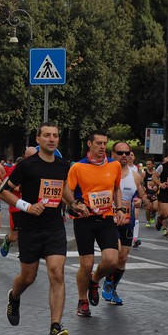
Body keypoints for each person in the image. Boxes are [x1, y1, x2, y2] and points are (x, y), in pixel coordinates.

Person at [0, 122, 71, 335]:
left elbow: (64, 189)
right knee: (28, 278)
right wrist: (27, 206)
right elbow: (3, 191)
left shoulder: (63, 165)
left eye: (55, 136)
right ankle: (14, 296)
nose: (52, 139)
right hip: (30, 228)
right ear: (38, 139)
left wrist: (75, 204)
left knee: (57, 273)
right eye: (47, 135)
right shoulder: (27, 166)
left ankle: (55, 328)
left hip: (54, 228)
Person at [64, 130, 126, 318]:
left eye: (104, 143)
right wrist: (74, 204)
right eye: (98, 143)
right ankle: (83, 301)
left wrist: (120, 208)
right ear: (89, 144)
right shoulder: (78, 167)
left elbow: (116, 189)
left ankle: (94, 280)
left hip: (106, 218)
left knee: (111, 260)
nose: (102, 147)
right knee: (87, 263)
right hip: (84, 220)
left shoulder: (114, 165)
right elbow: (67, 190)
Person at [101, 142, 151, 305]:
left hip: (127, 221)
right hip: (109, 220)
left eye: (127, 152)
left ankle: (112, 287)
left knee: (123, 258)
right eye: (120, 152)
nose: (124, 155)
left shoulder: (135, 175)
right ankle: (106, 283)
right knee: (115, 255)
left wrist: (140, 201)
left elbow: (141, 194)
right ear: (112, 154)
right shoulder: (104, 171)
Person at [1, 147, 38, 257]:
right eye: (30, 157)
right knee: (15, 236)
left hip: (32, 206)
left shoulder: (39, 168)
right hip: (17, 206)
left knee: (31, 232)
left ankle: (25, 253)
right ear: (25, 157)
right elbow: (4, 185)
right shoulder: (17, 168)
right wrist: (17, 188)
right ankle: (8, 240)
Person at [153, 150, 168, 239]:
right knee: (167, 214)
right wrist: (160, 184)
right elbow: (154, 177)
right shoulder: (162, 166)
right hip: (164, 193)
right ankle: (160, 219)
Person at [142, 160, 159, 228]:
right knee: (148, 208)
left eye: (149, 164)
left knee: (155, 208)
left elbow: (159, 181)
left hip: (155, 194)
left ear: (153, 165)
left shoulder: (156, 173)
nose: (148, 166)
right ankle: (148, 221)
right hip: (147, 193)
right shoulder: (144, 173)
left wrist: (157, 186)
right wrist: (143, 188)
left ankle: (153, 215)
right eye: (147, 164)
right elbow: (141, 183)